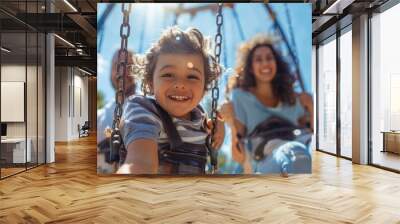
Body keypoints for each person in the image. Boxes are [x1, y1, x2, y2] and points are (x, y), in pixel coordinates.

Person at [117, 26, 225, 174]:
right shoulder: (144, 112)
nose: (180, 84)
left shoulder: (202, 120)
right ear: (150, 82)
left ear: (204, 89)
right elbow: (141, 162)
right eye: (168, 74)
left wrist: (219, 127)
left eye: (192, 76)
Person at [220, 35, 313, 176]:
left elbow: (312, 134)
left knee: (301, 155)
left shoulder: (292, 98)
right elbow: (239, 156)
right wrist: (231, 123)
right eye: (258, 59)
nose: (265, 63)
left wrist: (312, 108)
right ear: (250, 68)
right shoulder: (241, 97)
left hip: (298, 149)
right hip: (263, 158)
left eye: (269, 58)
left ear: (276, 63)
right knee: (295, 155)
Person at [97, 50, 136, 174]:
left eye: (129, 66)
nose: (122, 72)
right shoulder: (99, 116)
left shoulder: (150, 110)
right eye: (117, 66)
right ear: (110, 72)